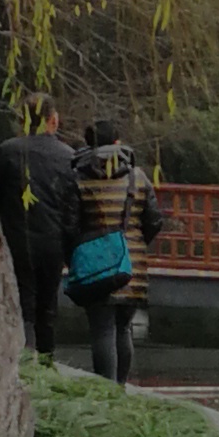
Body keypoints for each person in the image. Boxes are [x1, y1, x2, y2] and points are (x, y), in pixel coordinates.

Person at [68, 118, 164, 385]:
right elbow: (154, 220)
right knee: (123, 328)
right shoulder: (138, 177)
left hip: (94, 265)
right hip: (130, 264)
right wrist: (135, 243)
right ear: (118, 143)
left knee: (102, 329)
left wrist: (77, 254)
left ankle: (106, 390)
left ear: (89, 144)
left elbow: (70, 225)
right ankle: (119, 389)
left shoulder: (79, 178)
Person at [0, 102, 80, 358]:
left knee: (22, 304)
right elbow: (73, 205)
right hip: (53, 241)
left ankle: (24, 359)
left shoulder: (8, 151)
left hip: (17, 238)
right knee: (47, 306)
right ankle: (47, 360)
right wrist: (70, 244)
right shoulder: (69, 157)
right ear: (53, 120)